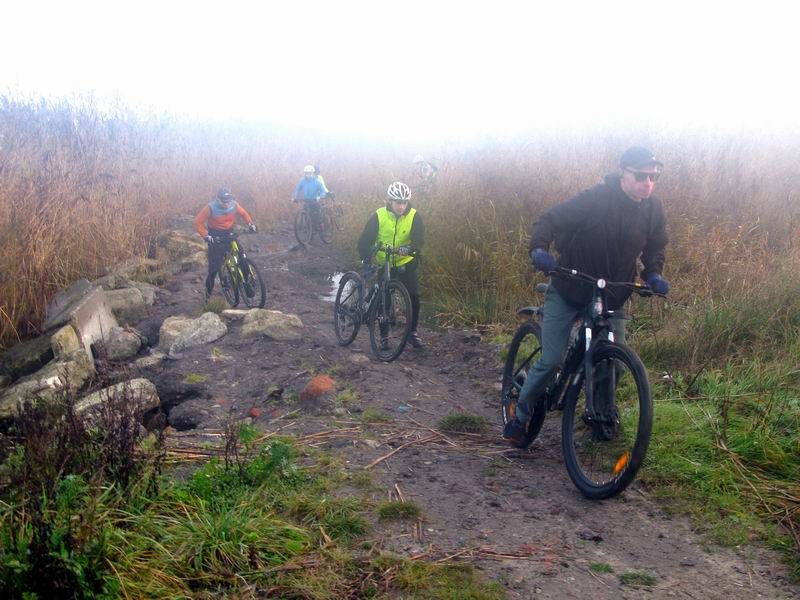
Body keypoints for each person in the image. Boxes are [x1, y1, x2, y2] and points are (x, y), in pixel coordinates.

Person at [503, 146, 670, 446]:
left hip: (612, 295)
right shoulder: (596, 199)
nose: (648, 183)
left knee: (614, 363)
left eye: (654, 177)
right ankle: (520, 416)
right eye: (642, 176)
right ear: (623, 172)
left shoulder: (652, 209)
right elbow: (549, 219)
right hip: (570, 288)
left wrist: (653, 274)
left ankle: (601, 418)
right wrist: (539, 249)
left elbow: (655, 245)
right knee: (552, 360)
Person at [357, 181, 426, 348]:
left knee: (414, 298)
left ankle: (411, 333)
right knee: (384, 300)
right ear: (390, 201)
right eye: (397, 202)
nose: (401, 206)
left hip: (405, 262)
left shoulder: (414, 216)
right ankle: (384, 336)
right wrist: (367, 259)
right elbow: (364, 240)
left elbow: (418, 240)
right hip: (384, 262)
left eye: (404, 202)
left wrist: (409, 249)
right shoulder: (379, 216)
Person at [194, 188, 257, 300]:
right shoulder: (210, 208)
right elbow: (198, 222)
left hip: (229, 233)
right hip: (215, 237)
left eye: (228, 200)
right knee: (213, 269)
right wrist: (206, 236)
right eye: (224, 201)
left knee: (242, 257)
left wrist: (250, 224)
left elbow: (243, 213)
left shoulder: (234, 204)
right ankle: (208, 295)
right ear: (218, 200)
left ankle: (247, 281)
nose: (227, 204)